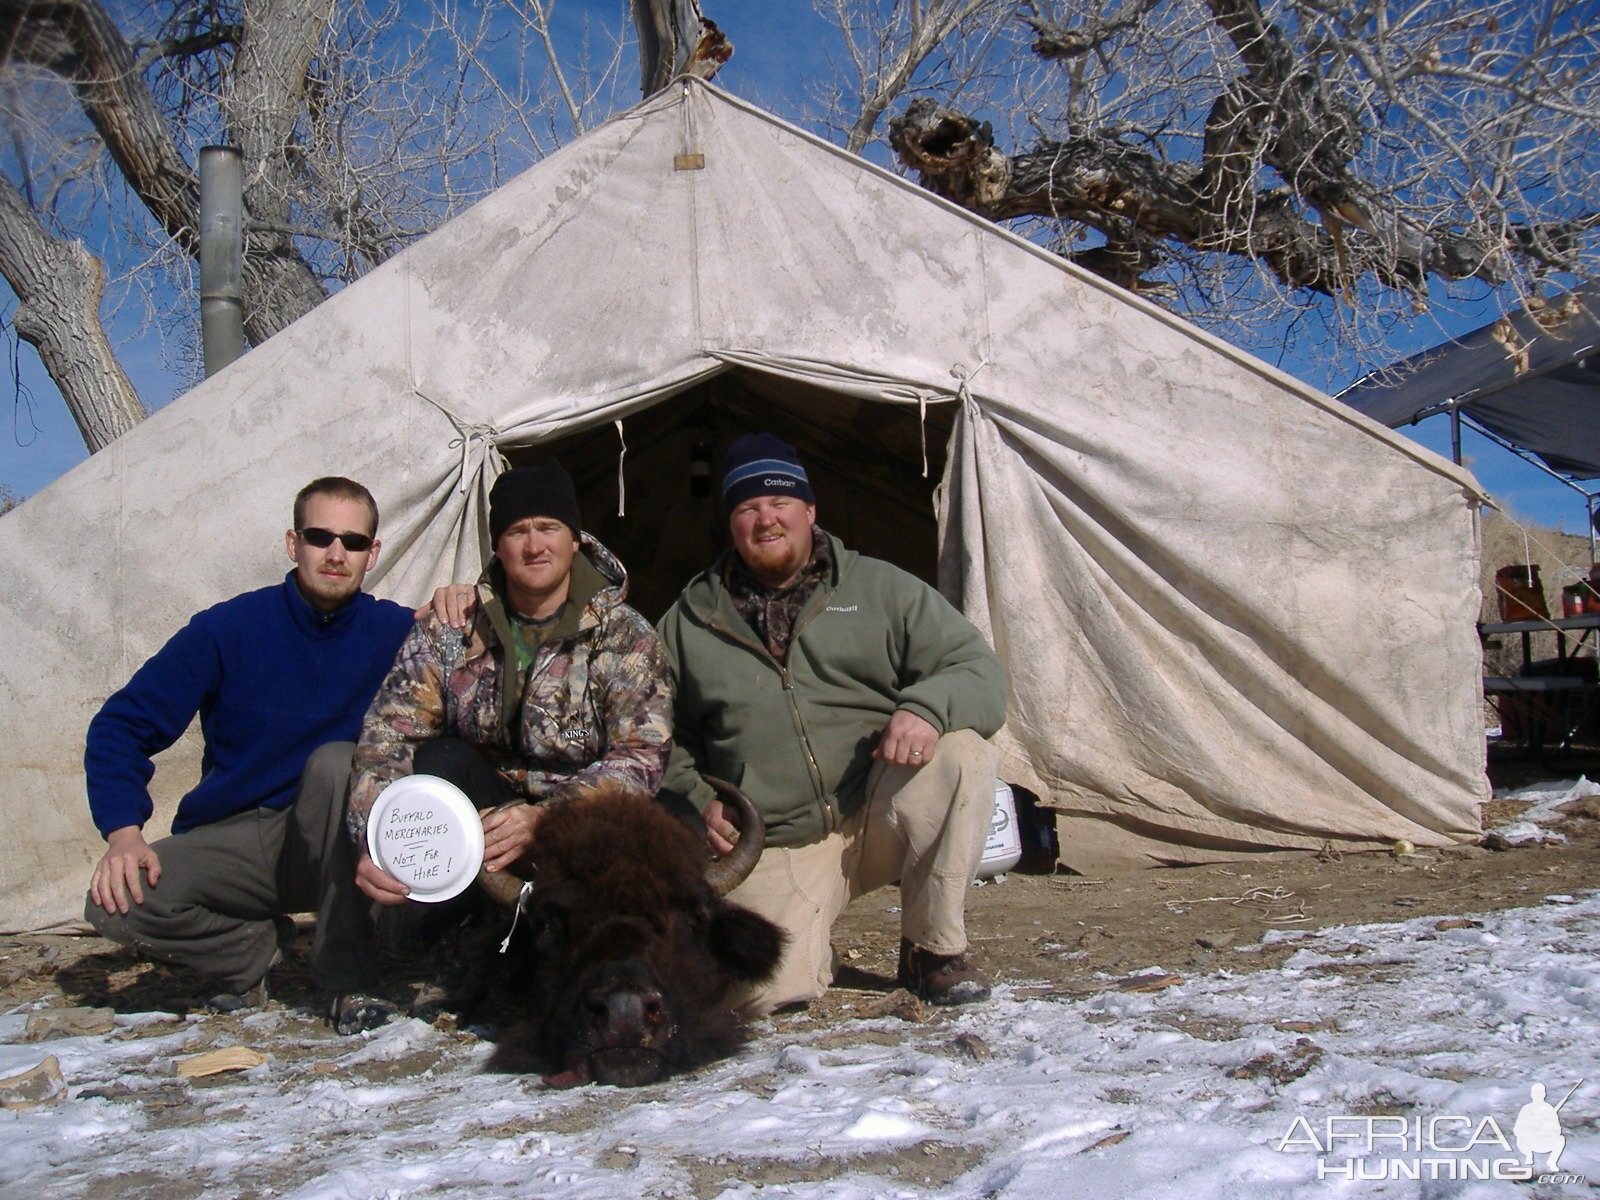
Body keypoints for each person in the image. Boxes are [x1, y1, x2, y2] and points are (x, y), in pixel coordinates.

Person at [658, 433, 1008, 1014]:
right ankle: (814, 945)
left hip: (881, 804)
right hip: (778, 835)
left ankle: (932, 951)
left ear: (809, 510)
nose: (766, 519)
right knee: (755, 992)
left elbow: (977, 671)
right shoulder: (690, 619)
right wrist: (697, 797)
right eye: (747, 507)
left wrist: (924, 709)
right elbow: (654, 733)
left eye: (779, 502)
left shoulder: (879, 587)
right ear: (730, 523)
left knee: (964, 756)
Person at [85, 477, 420, 1034]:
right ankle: (252, 951)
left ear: (373, 553)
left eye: (354, 542)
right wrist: (123, 832)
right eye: (320, 537)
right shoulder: (228, 628)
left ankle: (350, 981)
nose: (337, 554)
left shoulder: (400, 632)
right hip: (243, 837)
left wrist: (466, 599)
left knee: (339, 763)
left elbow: (484, 663)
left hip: (341, 839)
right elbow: (122, 724)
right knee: (116, 903)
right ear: (293, 544)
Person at [347, 461, 672, 1004]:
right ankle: (445, 936)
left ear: (575, 541)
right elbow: (388, 736)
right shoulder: (451, 629)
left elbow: (640, 758)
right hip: (482, 822)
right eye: (517, 531)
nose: (534, 545)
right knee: (440, 765)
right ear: (498, 546)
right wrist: (375, 838)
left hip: (576, 823)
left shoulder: (627, 638)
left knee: (660, 825)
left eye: (548, 528)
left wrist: (546, 818)